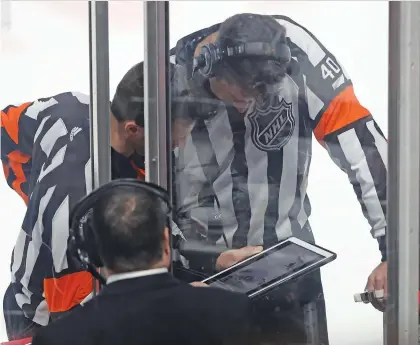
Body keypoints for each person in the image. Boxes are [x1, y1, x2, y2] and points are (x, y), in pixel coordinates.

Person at [170, 13, 388, 344]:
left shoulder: (297, 49)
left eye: (259, 96)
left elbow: (361, 145)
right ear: (211, 70)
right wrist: (198, 259)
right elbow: (143, 200)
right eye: (239, 94)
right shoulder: (165, 79)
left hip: (288, 268)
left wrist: (395, 252)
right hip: (202, 279)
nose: (247, 106)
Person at [0, 62, 195, 340]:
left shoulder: (68, 106)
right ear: (133, 129)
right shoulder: (79, 211)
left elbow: (5, 129)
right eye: (174, 140)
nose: (181, 146)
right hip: (43, 319)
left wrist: (34, 194)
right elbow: (75, 325)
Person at [31, 179, 254, 345]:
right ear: (166, 243)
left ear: (95, 254)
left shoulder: (56, 340)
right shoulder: (233, 312)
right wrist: (206, 303)